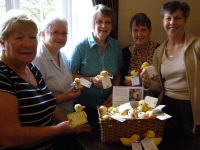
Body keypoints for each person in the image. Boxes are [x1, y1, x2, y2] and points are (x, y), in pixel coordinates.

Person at [0, 9, 91, 150]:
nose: (28, 44)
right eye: (19, 38)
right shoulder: (3, 76)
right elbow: (9, 137)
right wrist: (59, 129)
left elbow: (47, 103)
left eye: (32, 37)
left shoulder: (31, 68)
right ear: (2, 43)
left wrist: (70, 125)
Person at [140, 1, 200, 149]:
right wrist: (147, 83)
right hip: (166, 106)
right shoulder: (159, 51)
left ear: (185, 20)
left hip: (190, 108)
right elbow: (159, 86)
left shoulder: (196, 45)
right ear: (163, 21)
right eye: (168, 18)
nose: (172, 22)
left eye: (177, 18)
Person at [70, 4, 123, 123]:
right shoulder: (81, 47)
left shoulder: (116, 47)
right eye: (99, 21)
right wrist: (91, 80)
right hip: (83, 107)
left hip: (109, 107)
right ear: (92, 24)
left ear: (112, 25)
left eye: (108, 22)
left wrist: (115, 93)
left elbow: (118, 73)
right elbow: (72, 75)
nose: (104, 26)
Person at [33, 13, 81, 116]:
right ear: (43, 34)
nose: (61, 37)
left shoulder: (62, 55)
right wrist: (65, 97)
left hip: (67, 116)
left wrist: (89, 82)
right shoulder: (38, 58)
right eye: (55, 32)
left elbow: (70, 79)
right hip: (49, 121)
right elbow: (37, 99)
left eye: (64, 33)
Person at [121, 13, 160, 98]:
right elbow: (121, 80)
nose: (139, 34)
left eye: (143, 30)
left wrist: (138, 81)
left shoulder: (159, 50)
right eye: (135, 30)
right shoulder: (125, 52)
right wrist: (126, 82)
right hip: (131, 100)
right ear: (131, 32)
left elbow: (162, 82)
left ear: (150, 31)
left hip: (155, 99)